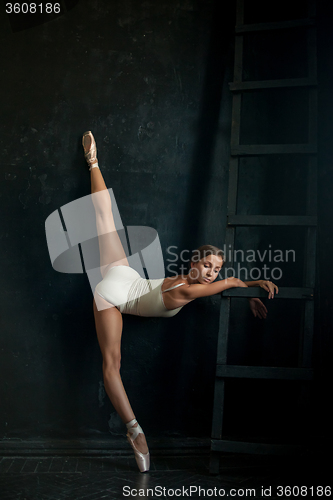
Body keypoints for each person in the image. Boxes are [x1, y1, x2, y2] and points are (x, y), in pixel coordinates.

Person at [82, 131, 279, 472]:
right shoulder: (187, 290)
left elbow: (224, 283)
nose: (211, 273)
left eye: (216, 269)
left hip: (126, 276)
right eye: (207, 266)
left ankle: (92, 162)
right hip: (112, 293)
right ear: (193, 264)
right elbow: (228, 283)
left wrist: (248, 289)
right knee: (111, 366)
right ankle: (135, 431)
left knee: (105, 220)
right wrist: (251, 286)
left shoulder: (191, 282)